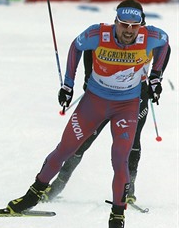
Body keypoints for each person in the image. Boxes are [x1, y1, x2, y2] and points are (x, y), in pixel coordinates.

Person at [5, 0, 170, 228]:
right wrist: (67, 85)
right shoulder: (99, 34)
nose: (128, 30)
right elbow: (76, 46)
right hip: (94, 103)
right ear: (115, 22)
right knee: (65, 149)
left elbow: (165, 44)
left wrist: (156, 77)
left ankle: (117, 219)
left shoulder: (151, 37)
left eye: (134, 26)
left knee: (120, 159)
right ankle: (33, 195)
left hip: (127, 106)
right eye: (123, 24)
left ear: (141, 26)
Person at [43, 45, 171, 203]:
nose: (132, 31)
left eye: (137, 27)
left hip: (137, 95)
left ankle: (128, 190)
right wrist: (88, 76)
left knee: (131, 141)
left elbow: (166, 48)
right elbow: (89, 49)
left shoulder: (150, 38)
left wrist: (156, 78)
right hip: (105, 93)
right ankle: (58, 184)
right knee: (84, 139)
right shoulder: (113, 36)